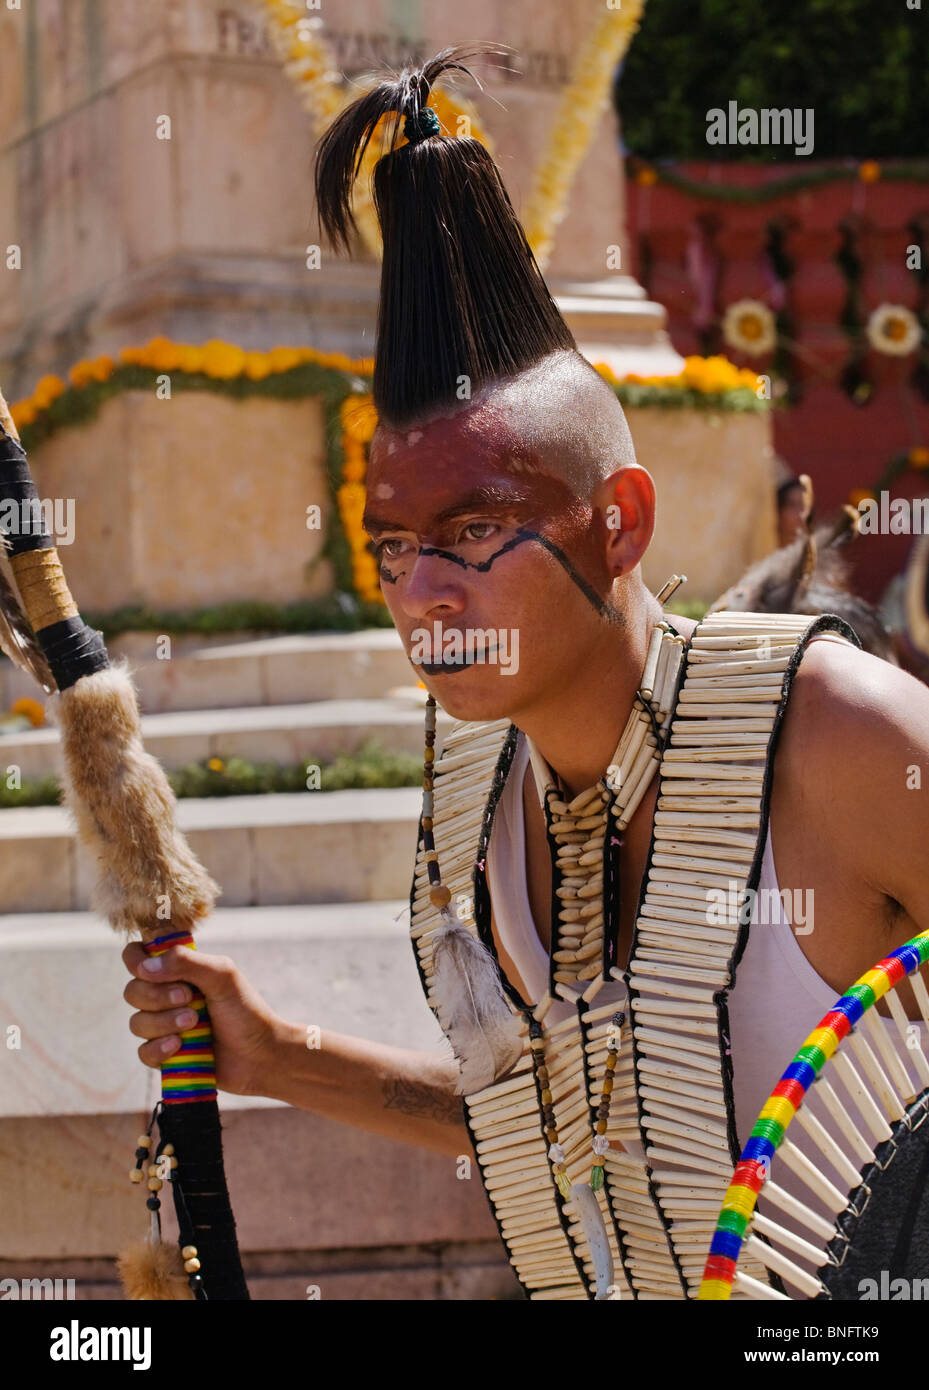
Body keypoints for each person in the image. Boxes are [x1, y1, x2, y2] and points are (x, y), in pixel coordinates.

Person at [123, 44, 929, 1299]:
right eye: (391, 549)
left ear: (619, 522)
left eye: (474, 533)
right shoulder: (478, 796)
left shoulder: (834, 737)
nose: (423, 594)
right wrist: (280, 1054)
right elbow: (570, 1136)